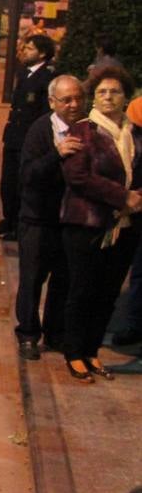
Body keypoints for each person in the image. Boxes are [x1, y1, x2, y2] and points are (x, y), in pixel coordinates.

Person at [59, 67, 142, 383]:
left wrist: (136, 199)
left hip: (126, 226)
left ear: (126, 97)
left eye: (115, 92)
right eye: (102, 92)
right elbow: (78, 177)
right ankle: (74, 353)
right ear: (94, 97)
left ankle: (92, 351)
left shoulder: (134, 134)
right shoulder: (83, 131)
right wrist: (122, 196)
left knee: (108, 292)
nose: (108, 97)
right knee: (82, 290)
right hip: (87, 224)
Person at [14, 75, 85, 360]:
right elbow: (27, 175)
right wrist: (56, 154)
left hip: (69, 220)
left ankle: (55, 333)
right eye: (67, 99)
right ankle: (28, 334)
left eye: (79, 98)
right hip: (38, 219)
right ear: (52, 102)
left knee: (63, 280)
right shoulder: (40, 130)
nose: (74, 104)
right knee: (32, 280)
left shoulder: (87, 130)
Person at [0, 35, 56, 240]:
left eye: (30, 49)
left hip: (29, 141)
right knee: (7, 183)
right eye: (24, 48)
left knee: (21, 184)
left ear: (42, 53)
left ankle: (18, 227)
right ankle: (7, 220)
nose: (24, 51)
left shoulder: (47, 78)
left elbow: (45, 115)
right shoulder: (24, 73)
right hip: (14, 137)